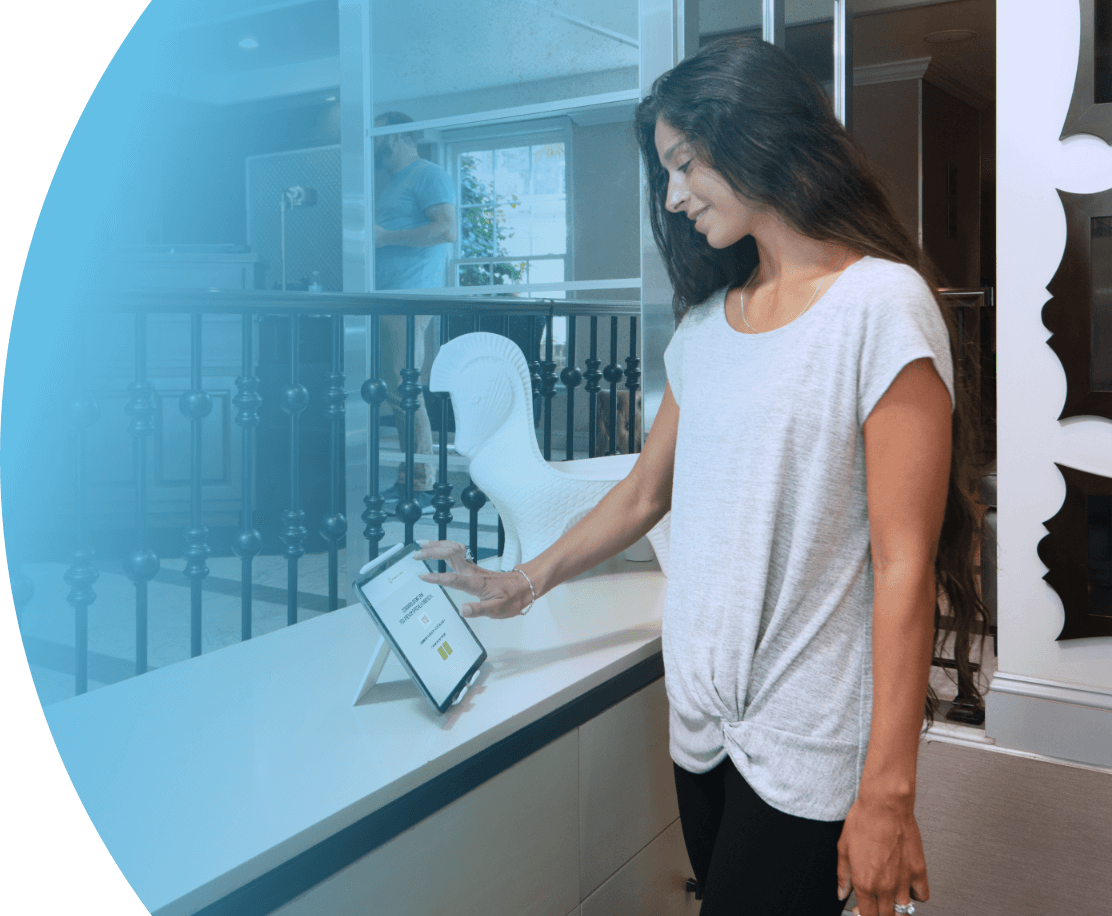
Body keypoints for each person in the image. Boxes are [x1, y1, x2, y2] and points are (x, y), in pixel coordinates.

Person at [416, 37, 987, 916]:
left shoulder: (880, 306)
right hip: (699, 730)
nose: (674, 197)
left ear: (757, 136)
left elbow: (901, 564)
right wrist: (520, 583)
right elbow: (647, 492)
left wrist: (889, 794)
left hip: (807, 740)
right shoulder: (706, 327)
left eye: (685, 164)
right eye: (666, 173)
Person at [374, 111, 457, 513]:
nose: (375, 146)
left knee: (408, 391)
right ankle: (410, 478)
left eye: (381, 137)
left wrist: (385, 237)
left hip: (411, 298)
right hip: (388, 298)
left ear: (401, 137)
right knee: (396, 392)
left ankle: (422, 486)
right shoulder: (392, 183)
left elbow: (445, 230)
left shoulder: (428, 174)